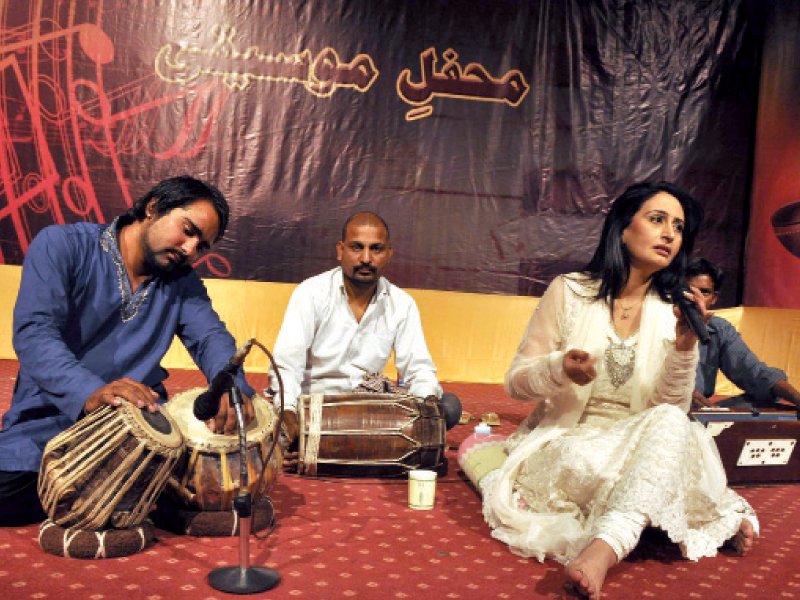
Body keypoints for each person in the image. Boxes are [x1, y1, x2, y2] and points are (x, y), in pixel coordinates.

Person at [480, 182, 758, 599]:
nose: (669, 234)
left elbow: (671, 410)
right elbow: (516, 382)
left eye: (678, 227)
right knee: (645, 471)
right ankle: (700, 510)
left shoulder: (674, 310)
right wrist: (559, 369)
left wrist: (685, 348)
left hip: (641, 442)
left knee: (668, 424)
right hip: (569, 442)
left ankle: (606, 546)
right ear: (623, 228)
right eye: (657, 219)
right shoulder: (569, 291)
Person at [0, 176, 255, 527]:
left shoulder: (182, 283)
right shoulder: (63, 245)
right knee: (9, 493)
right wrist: (90, 391)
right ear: (152, 207)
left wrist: (229, 383)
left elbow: (210, 337)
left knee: (212, 478)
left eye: (201, 245)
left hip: (140, 428)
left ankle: (126, 495)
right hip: (54, 416)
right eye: (187, 230)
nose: (190, 249)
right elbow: (34, 333)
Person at [270, 211, 461, 451]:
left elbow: (418, 368)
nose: (366, 258)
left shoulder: (402, 304)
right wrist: (288, 413)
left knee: (449, 407)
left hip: (369, 409)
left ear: (389, 254)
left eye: (376, 249)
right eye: (357, 247)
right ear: (340, 251)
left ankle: (333, 444)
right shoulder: (310, 294)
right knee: (263, 415)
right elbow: (287, 364)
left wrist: (429, 407)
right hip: (313, 407)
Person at [687, 257, 800, 411]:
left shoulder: (718, 329)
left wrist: (797, 398)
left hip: (701, 413)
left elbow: (754, 372)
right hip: (662, 410)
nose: (695, 298)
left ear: (714, 299)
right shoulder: (658, 322)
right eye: (688, 291)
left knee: (759, 403)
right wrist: (681, 394)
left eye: (704, 292)